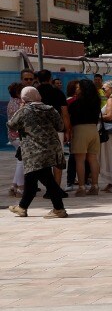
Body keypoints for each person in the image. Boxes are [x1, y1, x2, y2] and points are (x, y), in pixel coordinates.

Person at [6, 86, 68, 217]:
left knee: (47, 181)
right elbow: (61, 126)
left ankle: (59, 209)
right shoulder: (50, 109)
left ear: (24, 98)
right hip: (51, 149)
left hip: (34, 151)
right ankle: (22, 207)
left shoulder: (24, 111)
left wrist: (22, 109)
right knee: (31, 179)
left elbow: (11, 124)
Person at [66, 77, 102, 196]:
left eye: (78, 88)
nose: (76, 90)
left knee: (80, 160)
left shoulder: (76, 103)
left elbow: (69, 116)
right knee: (93, 159)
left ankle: (81, 187)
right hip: (93, 130)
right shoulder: (96, 101)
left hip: (80, 130)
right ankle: (95, 185)